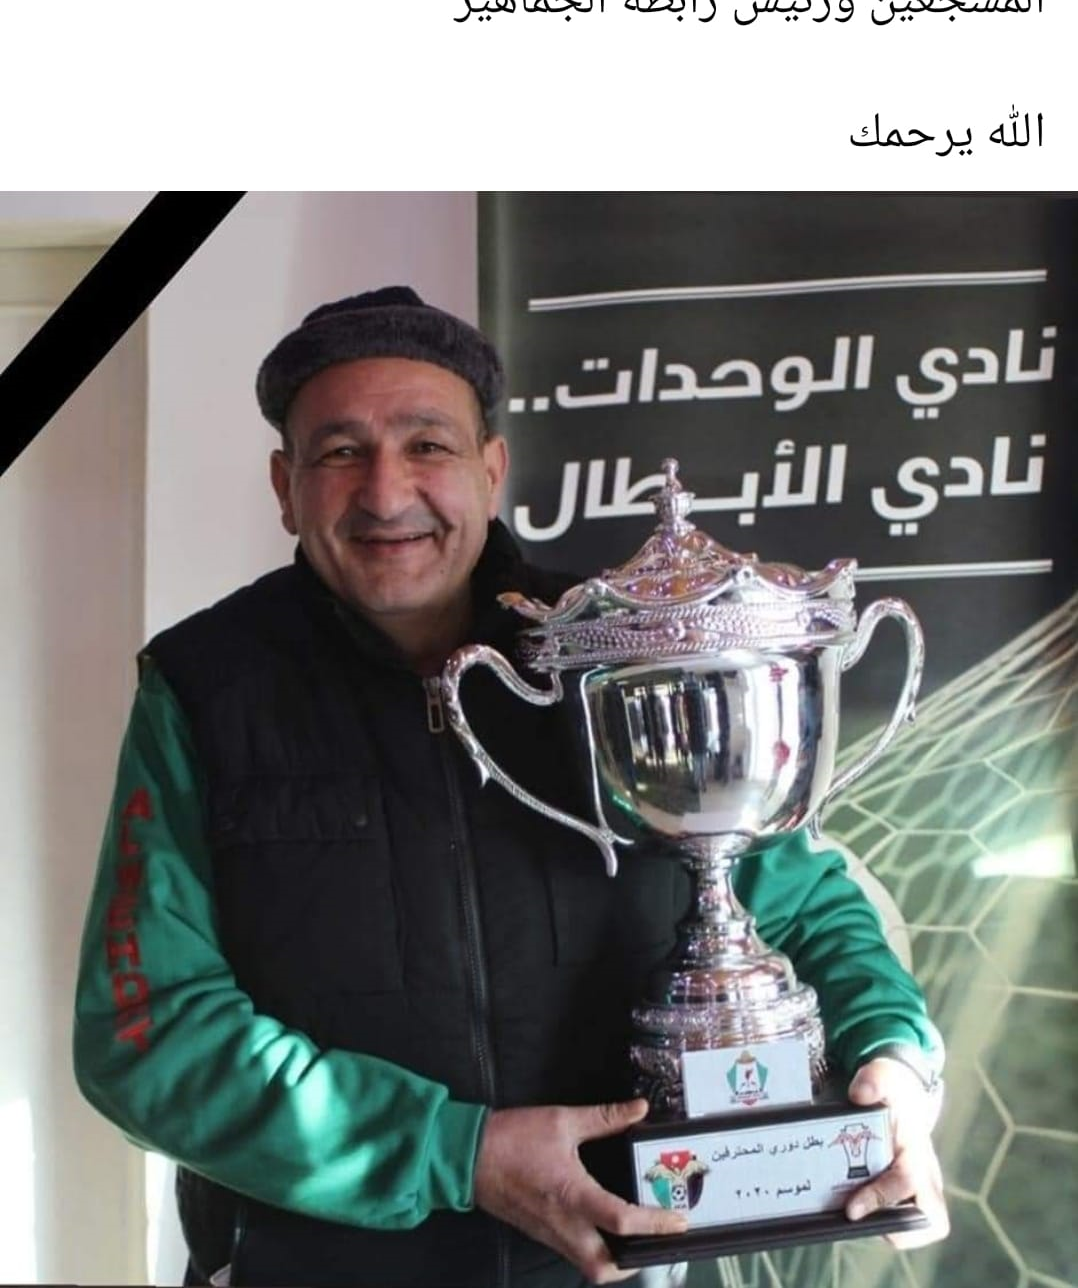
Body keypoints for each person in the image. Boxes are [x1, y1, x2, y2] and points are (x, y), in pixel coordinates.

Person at [74, 288, 948, 1288]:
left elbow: (803, 906)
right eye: (341, 451)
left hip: (621, 1266)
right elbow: (145, 1034)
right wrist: (458, 1153)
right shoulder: (205, 687)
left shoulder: (623, 652)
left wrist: (892, 1062)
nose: (386, 492)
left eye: (428, 445)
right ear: (286, 485)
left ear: (491, 469)